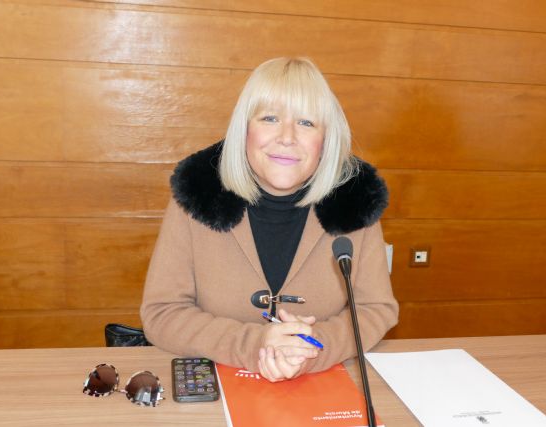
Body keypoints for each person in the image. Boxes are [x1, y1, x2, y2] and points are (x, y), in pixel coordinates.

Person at [141, 57, 398, 382]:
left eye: (306, 122)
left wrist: (311, 348)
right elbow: (162, 313)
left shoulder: (355, 201)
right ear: (244, 130)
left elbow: (376, 309)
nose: (287, 137)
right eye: (270, 118)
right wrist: (255, 344)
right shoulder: (197, 195)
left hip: (318, 384)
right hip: (218, 387)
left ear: (325, 140)